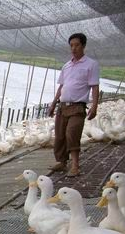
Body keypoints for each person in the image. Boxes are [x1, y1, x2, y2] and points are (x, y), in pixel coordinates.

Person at [48, 33, 99, 177]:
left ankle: (75, 166)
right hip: (62, 105)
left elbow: (95, 87)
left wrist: (95, 106)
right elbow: (61, 87)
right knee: (59, 136)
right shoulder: (67, 66)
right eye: (71, 45)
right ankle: (62, 162)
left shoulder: (91, 64)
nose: (73, 48)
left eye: (76, 45)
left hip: (78, 106)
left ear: (83, 46)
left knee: (72, 134)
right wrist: (53, 104)